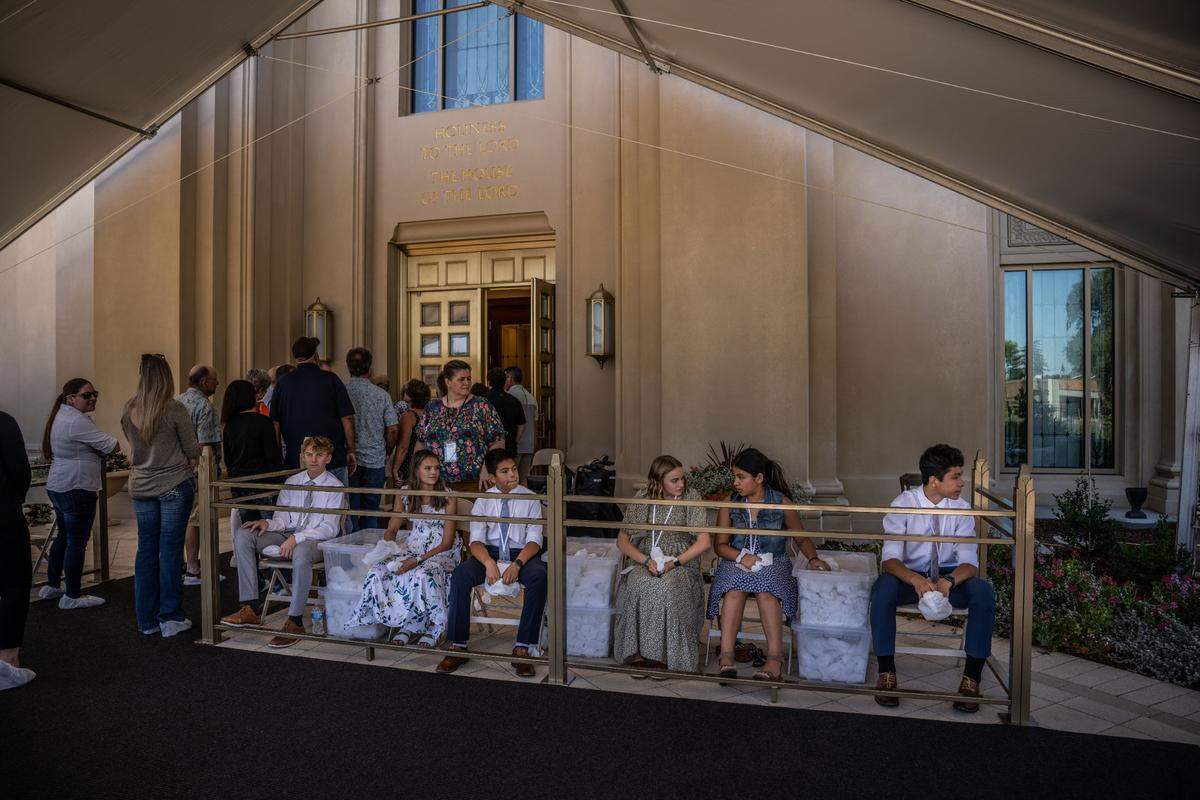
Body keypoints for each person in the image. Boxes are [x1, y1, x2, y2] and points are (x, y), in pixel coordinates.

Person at [870, 444, 995, 712]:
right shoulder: (903, 504)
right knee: (882, 590)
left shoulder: (961, 508)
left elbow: (969, 562)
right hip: (910, 578)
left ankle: (972, 679)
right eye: (955, 476)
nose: (962, 482)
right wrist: (915, 580)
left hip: (951, 577)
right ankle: (886, 673)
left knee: (982, 592)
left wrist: (949, 581)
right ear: (934, 481)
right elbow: (890, 559)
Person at [708, 448, 829, 682]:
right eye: (734, 476)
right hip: (736, 560)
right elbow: (720, 545)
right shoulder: (729, 504)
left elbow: (800, 537)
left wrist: (814, 559)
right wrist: (740, 556)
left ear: (759, 478)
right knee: (734, 590)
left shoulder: (781, 503)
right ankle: (726, 657)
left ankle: (774, 660)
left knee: (766, 591)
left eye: (741, 477)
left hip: (773, 561)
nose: (735, 483)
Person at [221, 436, 346, 648]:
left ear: (329, 458)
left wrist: (297, 538)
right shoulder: (292, 482)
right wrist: (267, 523)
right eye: (309, 454)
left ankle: (295, 620)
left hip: (315, 540)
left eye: (319, 455)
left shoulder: (336, 486)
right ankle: (250, 606)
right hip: (287, 533)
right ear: (302, 457)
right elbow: (283, 518)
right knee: (244, 535)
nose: (314, 459)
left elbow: (330, 528)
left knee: (301, 552)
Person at [438, 449, 545, 677]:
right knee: (460, 575)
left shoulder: (530, 498)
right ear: (493, 477)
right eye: (505, 472)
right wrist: (488, 562)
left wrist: (517, 564)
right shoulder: (484, 500)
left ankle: (522, 648)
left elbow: (535, 541)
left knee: (539, 576)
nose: (512, 475)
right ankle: (458, 645)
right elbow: (475, 541)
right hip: (490, 552)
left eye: (514, 469)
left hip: (521, 553)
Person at [121, 354, 200, 637]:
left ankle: (146, 620)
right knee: (169, 551)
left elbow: (133, 446)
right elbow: (193, 449)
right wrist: (188, 463)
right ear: (167, 377)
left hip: (141, 486)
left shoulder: (129, 409)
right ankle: (170, 616)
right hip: (173, 484)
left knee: (146, 552)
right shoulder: (174, 408)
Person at [350, 450, 461, 646]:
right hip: (414, 545)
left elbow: (447, 542)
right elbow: (392, 528)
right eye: (427, 468)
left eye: (436, 468)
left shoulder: (448, 496)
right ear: (416, 470)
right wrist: (385, 548)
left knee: (422, 573)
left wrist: (415, 561)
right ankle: (409, 623)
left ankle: (437, 624)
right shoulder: (405, 494)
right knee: (379, 570)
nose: (433, 472)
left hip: (441, 551)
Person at [613, 456, 711, 676]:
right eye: (674, 480)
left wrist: (674, 562)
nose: (681, 484)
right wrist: (646, 561)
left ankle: (664, 655)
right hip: (647, 558)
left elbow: (704, 542)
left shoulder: (690, 498)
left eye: (682, 479)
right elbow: (622, 540)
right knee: (637, 583)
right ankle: (638, 652)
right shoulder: (644, 497)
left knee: (666, 587)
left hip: (681, 562)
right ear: (658, 482)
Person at [40, 377, 120, 608]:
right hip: (77, 486)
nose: (93, 398)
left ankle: (53, 586)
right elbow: (113, 445)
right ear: (71, 398)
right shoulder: (77, 421)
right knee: (76, 542)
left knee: (64, 537)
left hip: (59, 484)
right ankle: (72, 596)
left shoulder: (62, 415)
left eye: (95, 393)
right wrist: (98, 449)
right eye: (87, 395)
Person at [271, 336, 356, 485]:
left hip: (297, 459)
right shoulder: (331, 379)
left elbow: (275, 424)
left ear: (295, 357)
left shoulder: (283, 384)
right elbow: (346, 418)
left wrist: (278, 456)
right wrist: (351, 450)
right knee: (336, 504)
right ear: (315, 355)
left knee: (298, 505)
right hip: (332, 457)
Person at [415, 360, 505, 492]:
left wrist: (487, 469)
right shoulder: (432, 408)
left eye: (469, 378)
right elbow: (420, 442)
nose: (467, 383)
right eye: (461, 379)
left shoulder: (481, 406)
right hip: (435, 482)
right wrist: (417, 472)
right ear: (448, 382)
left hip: (474, 481)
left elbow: (498, 441)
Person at [344, 347, 399, 530]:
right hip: (375, 459)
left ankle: (351, 553)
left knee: (352, 511)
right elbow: (392, 429)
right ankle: (369, 553)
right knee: (372, 511)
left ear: (348, 367)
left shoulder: (342, 391)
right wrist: (388, 450)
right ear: (370, 368)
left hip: (348, 459)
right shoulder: (381, 394)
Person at [178, 364, 221, 585]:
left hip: (176, 471)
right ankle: (194, 568)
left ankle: (182, 565)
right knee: (196, 520)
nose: (217, 383)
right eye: (214, 379)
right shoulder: (205, 406)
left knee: (181, 518)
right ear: (204, 382)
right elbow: (205, 445)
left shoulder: (176, 402)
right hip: (199, 472)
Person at [0, 410, 34, 689]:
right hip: (3, 514)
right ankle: (9, 659)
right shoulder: (4, 422)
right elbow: (20, 470)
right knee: (14, 583)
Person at [221, 379, 283, 523]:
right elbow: (273, 457)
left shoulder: (229, 425)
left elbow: (228, 460)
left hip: (241, 485)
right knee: (268, 527)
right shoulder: (263, 422)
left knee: (249, 528)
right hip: (264, 485)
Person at [390, 379, 430, 486]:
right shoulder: (431, 414)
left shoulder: (409, 416)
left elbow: (403, 446)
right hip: (427, 462)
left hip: (410, 464)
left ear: (411, 396)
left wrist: (395, 468)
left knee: (404, 499)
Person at [504, 366, 538, 481]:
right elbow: (535, 424)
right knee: (524, 479)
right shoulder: (531, 397)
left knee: (511, 479)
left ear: (509, 378)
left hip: (516, 445)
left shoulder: (509, 396)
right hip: (529, 444)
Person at [484, 367, 526, 454]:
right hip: (509, 447)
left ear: (488, 382)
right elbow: (521, 426)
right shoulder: (514, 400)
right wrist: (514, 441)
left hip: (488, 449)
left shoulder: (482, 400)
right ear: (504, 382)